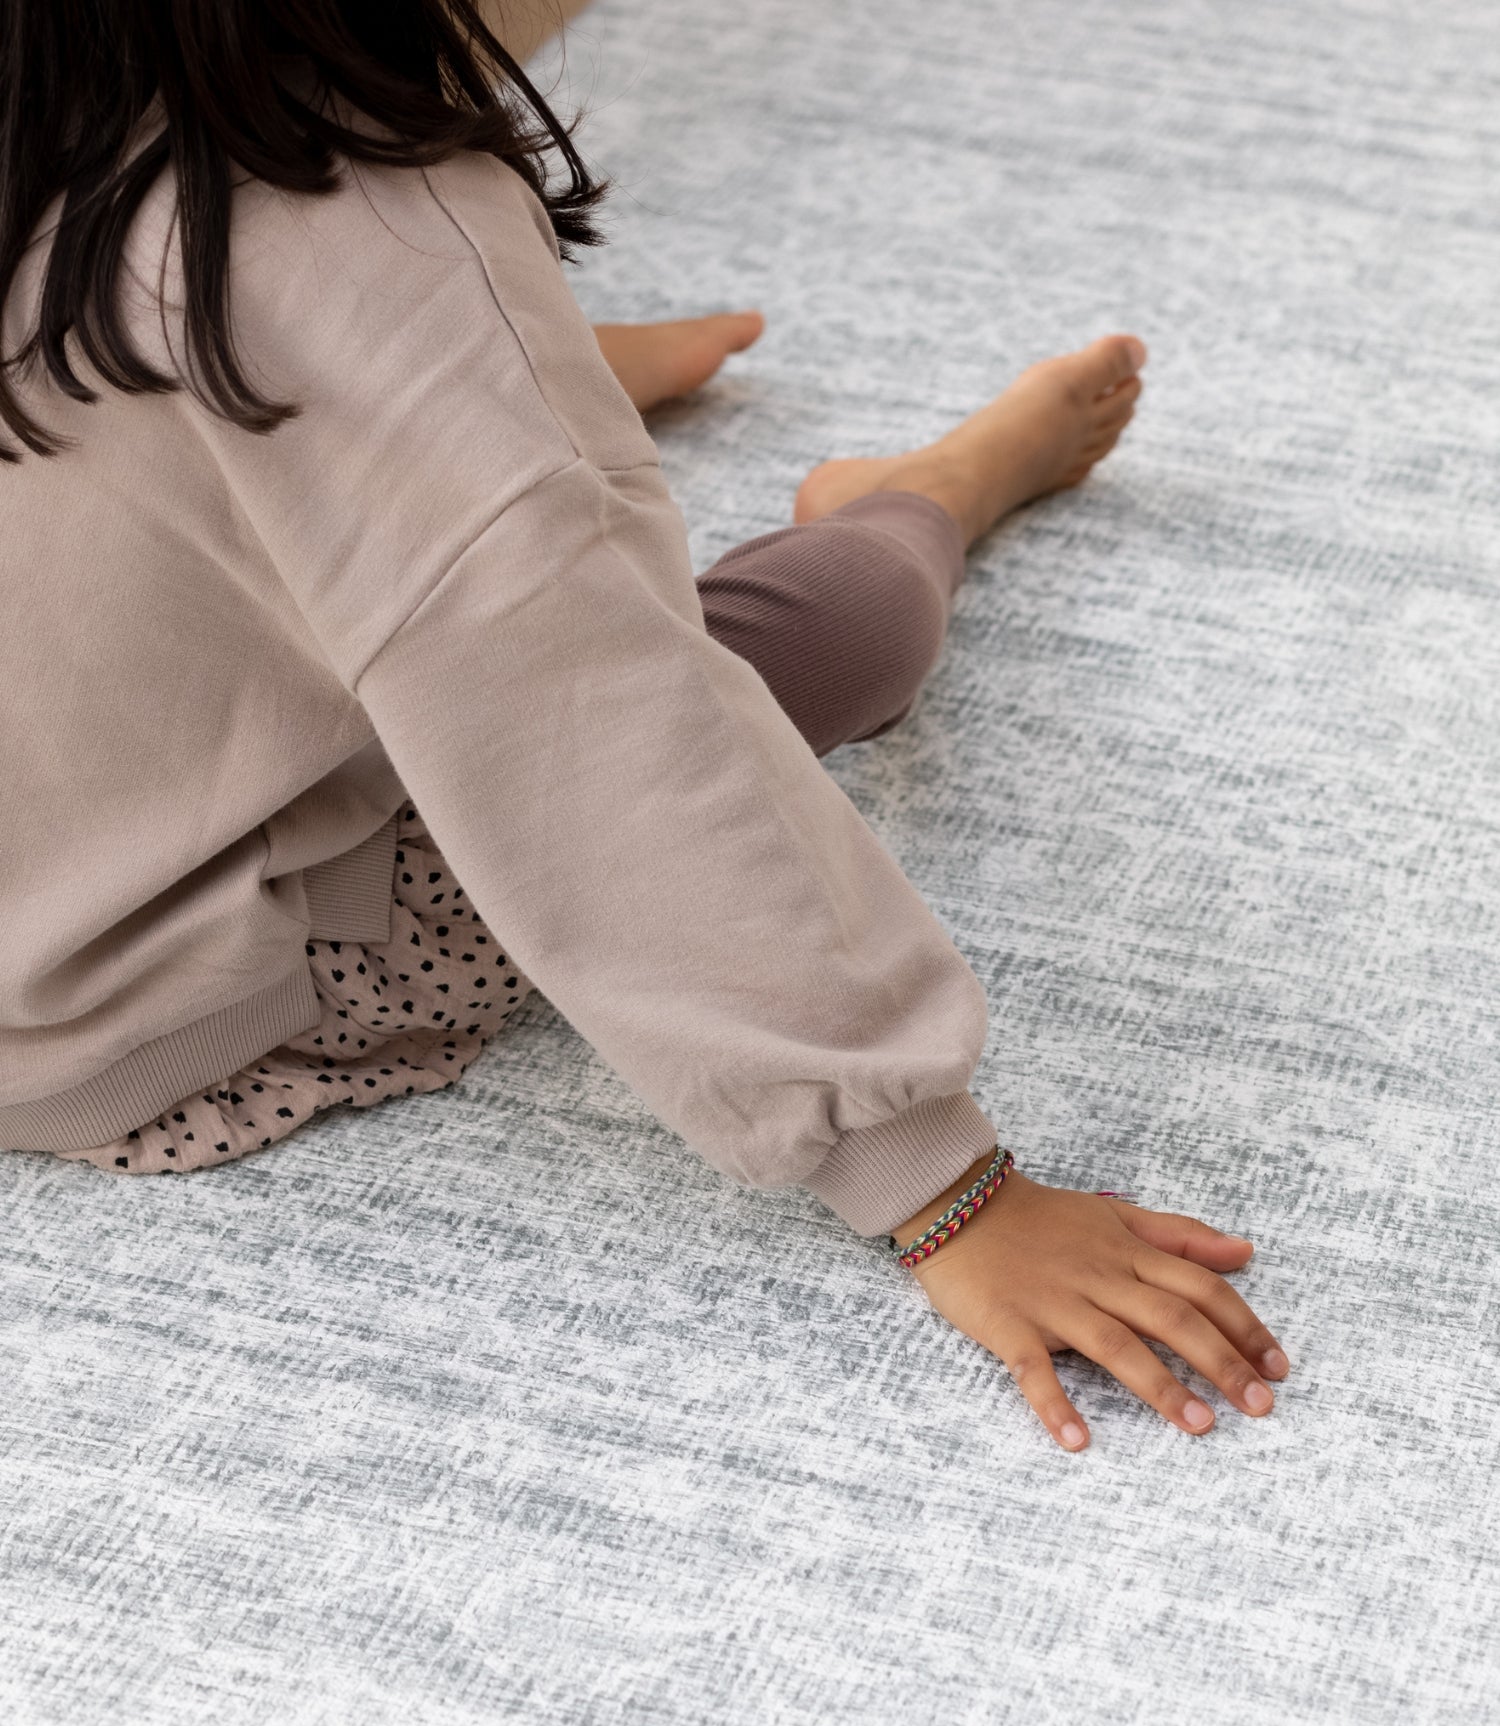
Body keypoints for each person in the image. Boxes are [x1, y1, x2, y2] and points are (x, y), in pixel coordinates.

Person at [0, 0, 1289, 1452]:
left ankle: (540, 376)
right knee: (829, 637)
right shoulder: (372, 241)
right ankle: (923, 493)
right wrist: (940, 1183)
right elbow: (606, 746)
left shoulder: (70, 91)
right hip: (153, 993)